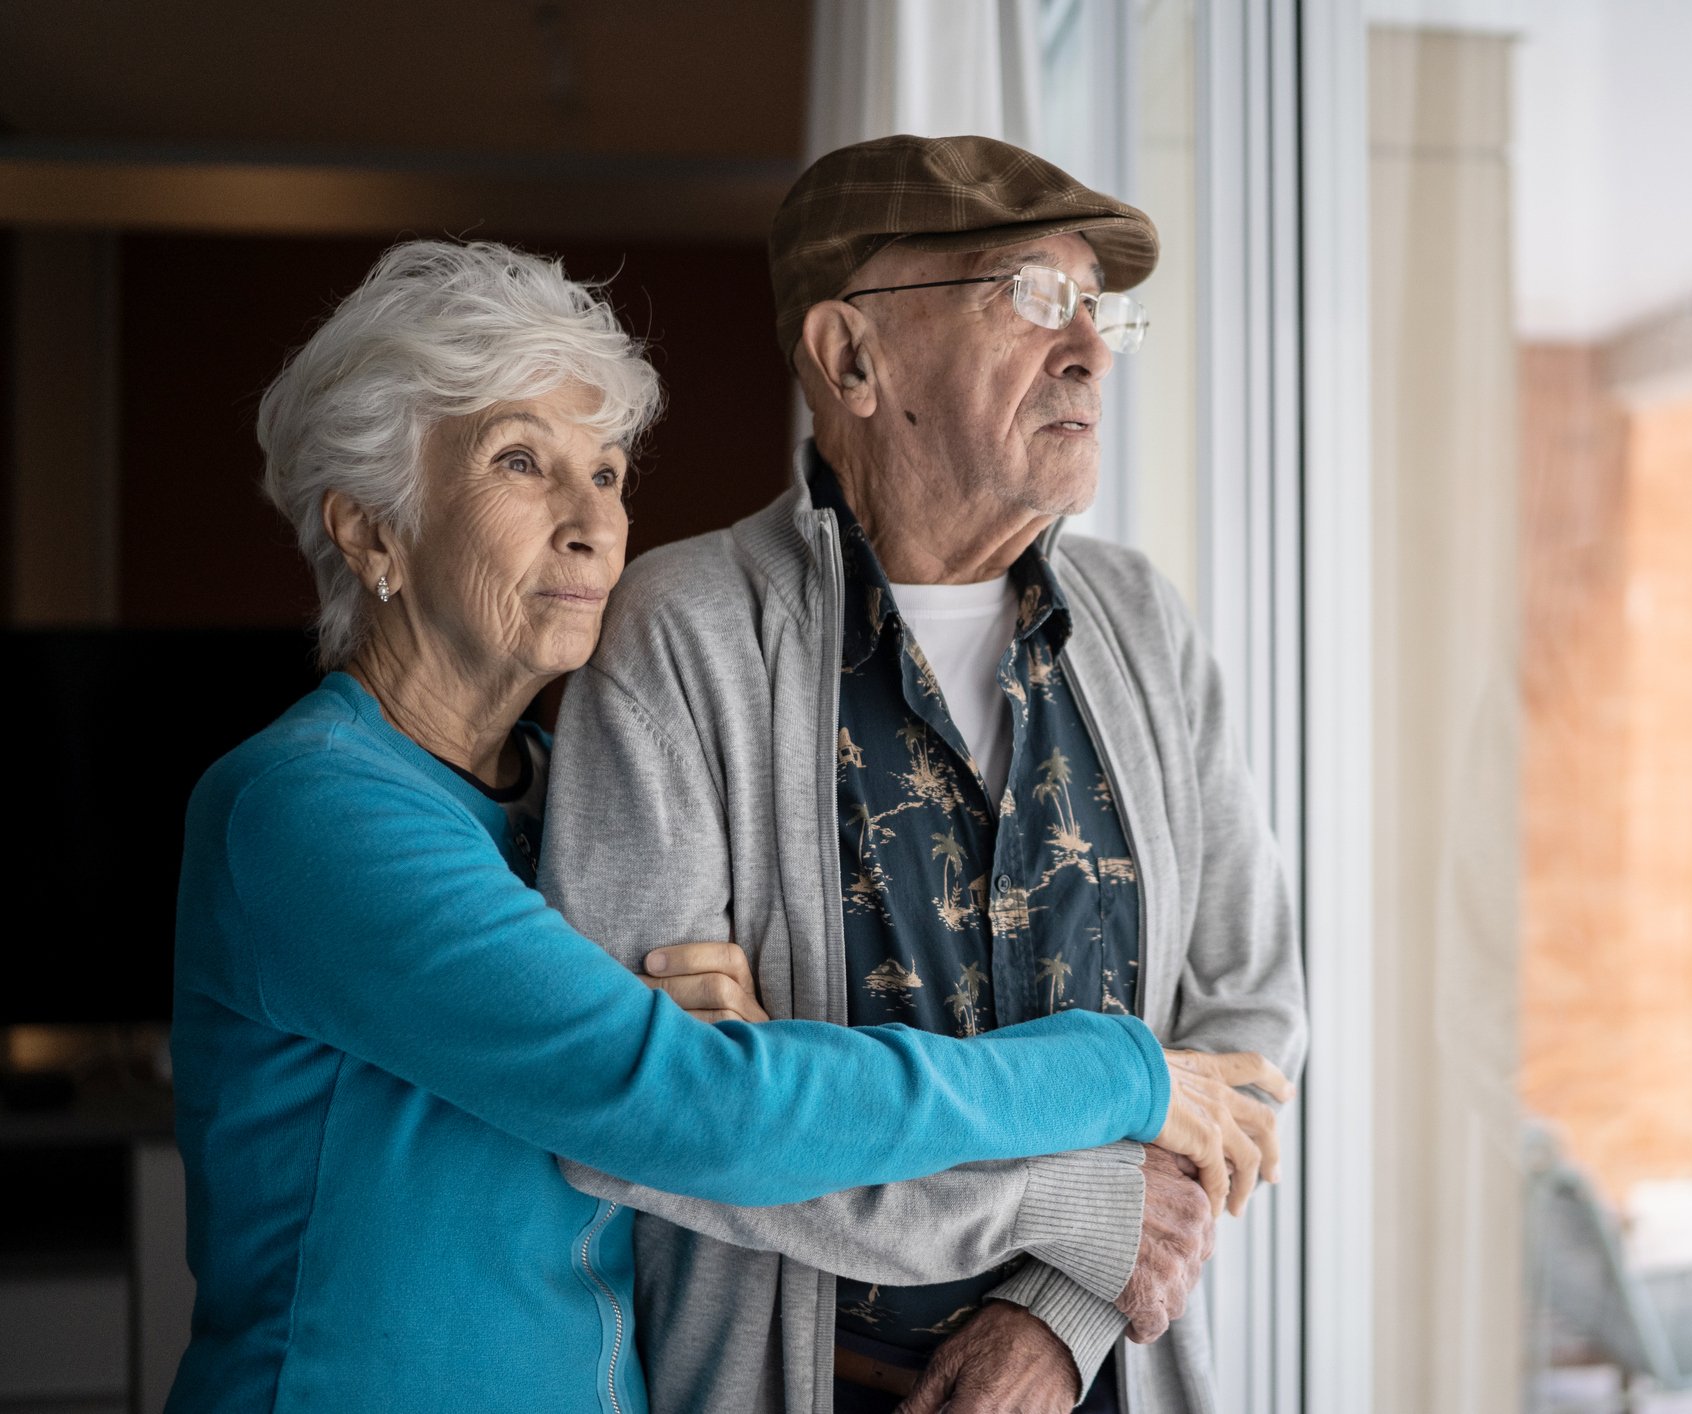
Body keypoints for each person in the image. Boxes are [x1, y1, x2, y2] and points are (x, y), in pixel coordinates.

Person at [167, 239, 1280, 1412]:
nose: (593, 525)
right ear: (371, 530)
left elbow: (741, 1098)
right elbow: (701, 1107)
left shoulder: (553, 795)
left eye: (604, 472)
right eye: (519, 461)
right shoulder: (309, 816)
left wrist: (766, 1053)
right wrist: (1118, 1076)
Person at [540, 135, 1307, 1414]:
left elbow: (1249, 1038)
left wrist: (1056, 1312)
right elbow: (647, 1124)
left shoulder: (1142, 624)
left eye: (1100, 308)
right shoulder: (683, 635)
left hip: (1115, 1376)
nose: (1091, 351)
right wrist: (1078, 1196)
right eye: (1035, 299)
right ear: (851, 357)